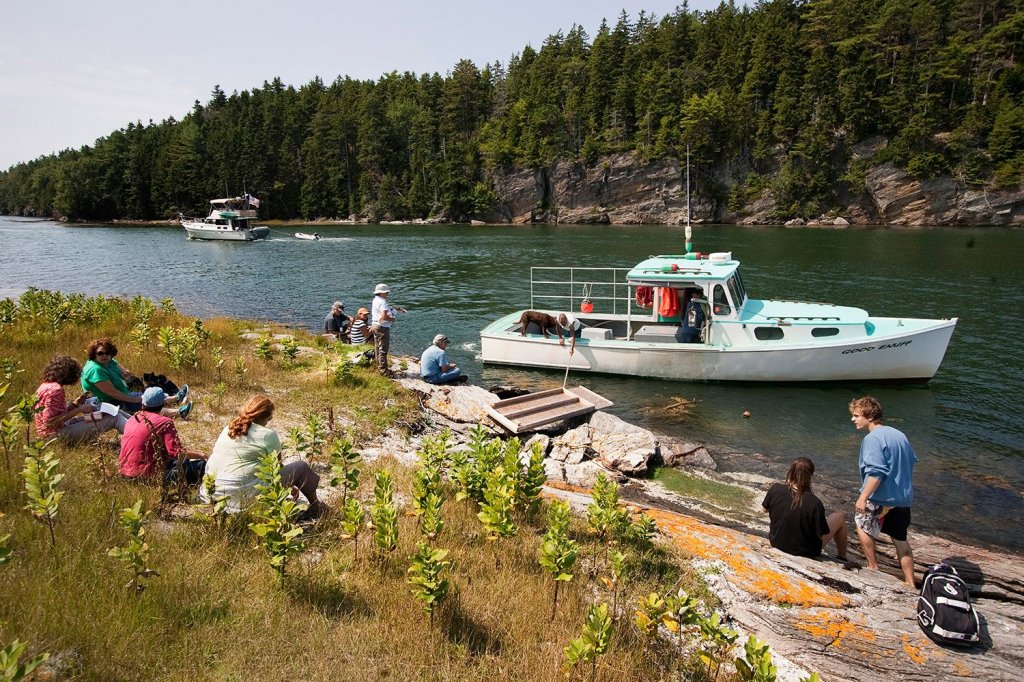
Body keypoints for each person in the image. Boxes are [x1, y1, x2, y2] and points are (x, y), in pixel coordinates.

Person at [200, 395, 324, 516]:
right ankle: (316, 507)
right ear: (265, 417)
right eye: (269, 419)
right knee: (301, 467)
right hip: (241, 494)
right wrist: (290, 485)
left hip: (212, 492)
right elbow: (275, 468)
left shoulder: (228, 428)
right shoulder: (268, 435)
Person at [849, 396, 918, 587]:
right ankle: (910, 583)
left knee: (861, 525)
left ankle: (873, 568)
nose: (853, 419)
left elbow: (876, 472)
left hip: (880, 496)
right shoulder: (899, 435)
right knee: (900, 540)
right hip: (902, 498)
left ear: (869, 416)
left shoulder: (872, 439)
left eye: (856, 416)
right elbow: (911, 460)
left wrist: (863, 497)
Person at [762, 457, 849, 561]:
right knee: (839, 516)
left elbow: (764, 509)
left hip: (777, 542)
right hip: (805, 551)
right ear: (811, 476)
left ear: (790, 472)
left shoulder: (776, 488)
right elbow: (821, 533)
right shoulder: (815, 503)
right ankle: (842, 557)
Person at [81, 338, 189, 417]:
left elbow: (121, 369)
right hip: (108, 403)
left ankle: (175, 398)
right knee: (145, 405)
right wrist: (133, 399)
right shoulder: (95, 370)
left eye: (107, 353)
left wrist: (125, 374)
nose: (104, 355)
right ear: (94, 354)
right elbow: (112, 392)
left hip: (122, 395)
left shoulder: (108, 361)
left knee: (146, 396)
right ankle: (179, 412)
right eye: (100, 353)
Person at [119, 387, 206, 484]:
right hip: (149, 477)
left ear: (143, 403)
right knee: (202, 466)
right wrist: (201, 455)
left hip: (125, 475)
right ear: (164, 404)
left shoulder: (132, 419)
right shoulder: (165, 422)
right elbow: (175, 452)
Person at [34, 355, 128, 441]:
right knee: (114, 418)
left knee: (112, 412)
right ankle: (137, 435)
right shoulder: (55, 390)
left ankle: (137, 425)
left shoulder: (45, 385)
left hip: (61, 427)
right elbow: (50, 422)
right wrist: (79, 410)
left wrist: (76, 403)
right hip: (54, 435)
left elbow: (57, 414)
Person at [370, 283, 406, 375]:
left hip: (375, 325)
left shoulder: (375, 300)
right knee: (383, 349)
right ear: (381, 293)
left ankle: (379, 367)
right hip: (382, 328)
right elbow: (384, 316)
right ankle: (384, 371)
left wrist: (395, 309)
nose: (387, 294)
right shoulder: (382, 302)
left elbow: (383, 312)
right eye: (386, 292)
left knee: (377, 347)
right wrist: (392, 319)